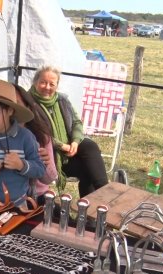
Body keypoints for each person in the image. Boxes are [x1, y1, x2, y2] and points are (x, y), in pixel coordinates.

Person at [28, 66, 108, 197]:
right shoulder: (29, 103)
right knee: (87, 170)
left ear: (57, 85)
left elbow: (77, 122)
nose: (47, 87)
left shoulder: (62, 100)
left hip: (68, 149)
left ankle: (103, 191)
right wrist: (62, 146)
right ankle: (100, 201)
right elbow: (37, 133)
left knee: (90, 146)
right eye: (43, 82)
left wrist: (75, 142)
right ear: (35, 82)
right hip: (51, 156)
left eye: (52, 84)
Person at [14, 84, 58, 204]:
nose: (12, 110)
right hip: (5, 198)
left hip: (36, 197)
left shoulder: (40, 136)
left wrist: (46, 162)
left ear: (27, 107)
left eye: (16, 103)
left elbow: (49, 179)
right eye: (6, 105)